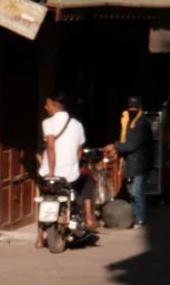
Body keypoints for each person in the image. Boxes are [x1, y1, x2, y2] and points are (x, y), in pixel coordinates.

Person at [35, 91, 94, 249]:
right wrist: (72, 164)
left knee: (44, 197)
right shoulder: (77, 125)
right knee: (87, 180)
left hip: (48, 171)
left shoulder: (48, 123)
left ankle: (40, 238)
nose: (45, 107)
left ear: (54, 105)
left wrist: (52, 170)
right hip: (70, 173)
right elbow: (79, 151)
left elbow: (50, 146)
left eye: (47, 104)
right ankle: (88, 217)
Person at [105, 95, 154, 228]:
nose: (132, 110)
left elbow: (132, 145)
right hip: (132, 163)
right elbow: (127, 143)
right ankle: (135, 216)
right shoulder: (128, 122)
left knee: (136, 192)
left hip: (141, 164)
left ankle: (140, 219)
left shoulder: (141, 123)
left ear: (140, 108)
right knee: (132, 192)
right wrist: (118, 151)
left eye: (135, 107)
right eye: (130, 107)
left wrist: (115, 146)